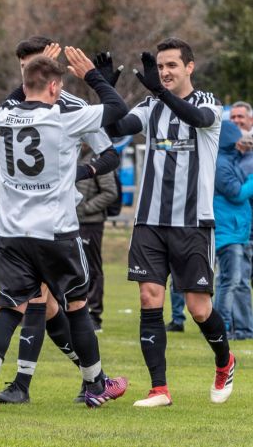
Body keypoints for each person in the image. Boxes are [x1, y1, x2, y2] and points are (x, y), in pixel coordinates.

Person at [0, 49, 128, 411]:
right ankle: (94, 386)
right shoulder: (64, 118)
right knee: (77, 307)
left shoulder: (3, 117)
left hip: (11, 233)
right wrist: (93, 75)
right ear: (56, 86)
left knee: (9, 310)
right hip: (56, 231)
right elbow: (118, 109)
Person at [104, 38, 235, 407]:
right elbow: (117, 129)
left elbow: (197, 120)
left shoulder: (208, 103)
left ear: (189, 67)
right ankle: (159, 388)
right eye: (160, 67)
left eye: (172, 66)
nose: (164, 72)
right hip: (149, 221)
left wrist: (161, 93)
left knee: (198, 309)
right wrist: (105, 90)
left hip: (193, 223)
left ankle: (225, 361)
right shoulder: (150, 107)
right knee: (149, 298)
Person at [213, 121, 253, 340]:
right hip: (228, 232)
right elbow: (236, 193)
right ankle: (223, 327)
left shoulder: (229, 160)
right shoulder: (221, 164)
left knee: (230, 281)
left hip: (235, 230)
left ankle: (230, 326)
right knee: (229, 282)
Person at [75, 144, 119, 332]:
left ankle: (94, 314)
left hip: (90, 223)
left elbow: (110, 192)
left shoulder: (98, 159)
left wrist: (84, 208)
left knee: (91, 267)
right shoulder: (70, 152)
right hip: (67, 223)